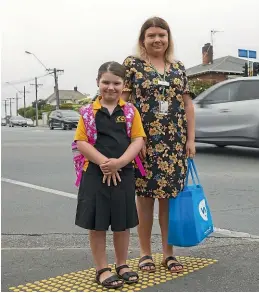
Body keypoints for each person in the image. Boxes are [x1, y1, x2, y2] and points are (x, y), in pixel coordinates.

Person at [122, 17, 196, 273]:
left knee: (168, 200)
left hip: (174, 144)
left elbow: (187, 105)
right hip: (144, 143)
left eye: (162, 35)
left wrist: (191, 139)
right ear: (143, 39)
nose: (157, 40)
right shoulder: (132, 65)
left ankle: (168, 253)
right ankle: (144, 253)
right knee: (144, 199)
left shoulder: (178, 67)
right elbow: (125, 104)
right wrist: (134, 138)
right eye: (151, 35)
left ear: (168, 38)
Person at [74, 61, 146, 289]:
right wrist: (105, 163)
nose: (111, 87)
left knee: (122, 223)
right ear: (98, 82)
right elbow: (81, 142)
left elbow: (138, 140)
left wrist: (120, 163)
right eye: (106, 82)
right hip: (95, 174)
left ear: (124, 86)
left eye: (116, 83)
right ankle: (102, 268)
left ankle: (122, 264)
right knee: (97, 224)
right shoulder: (87, 112)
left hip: (123, 174)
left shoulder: (130, 111)